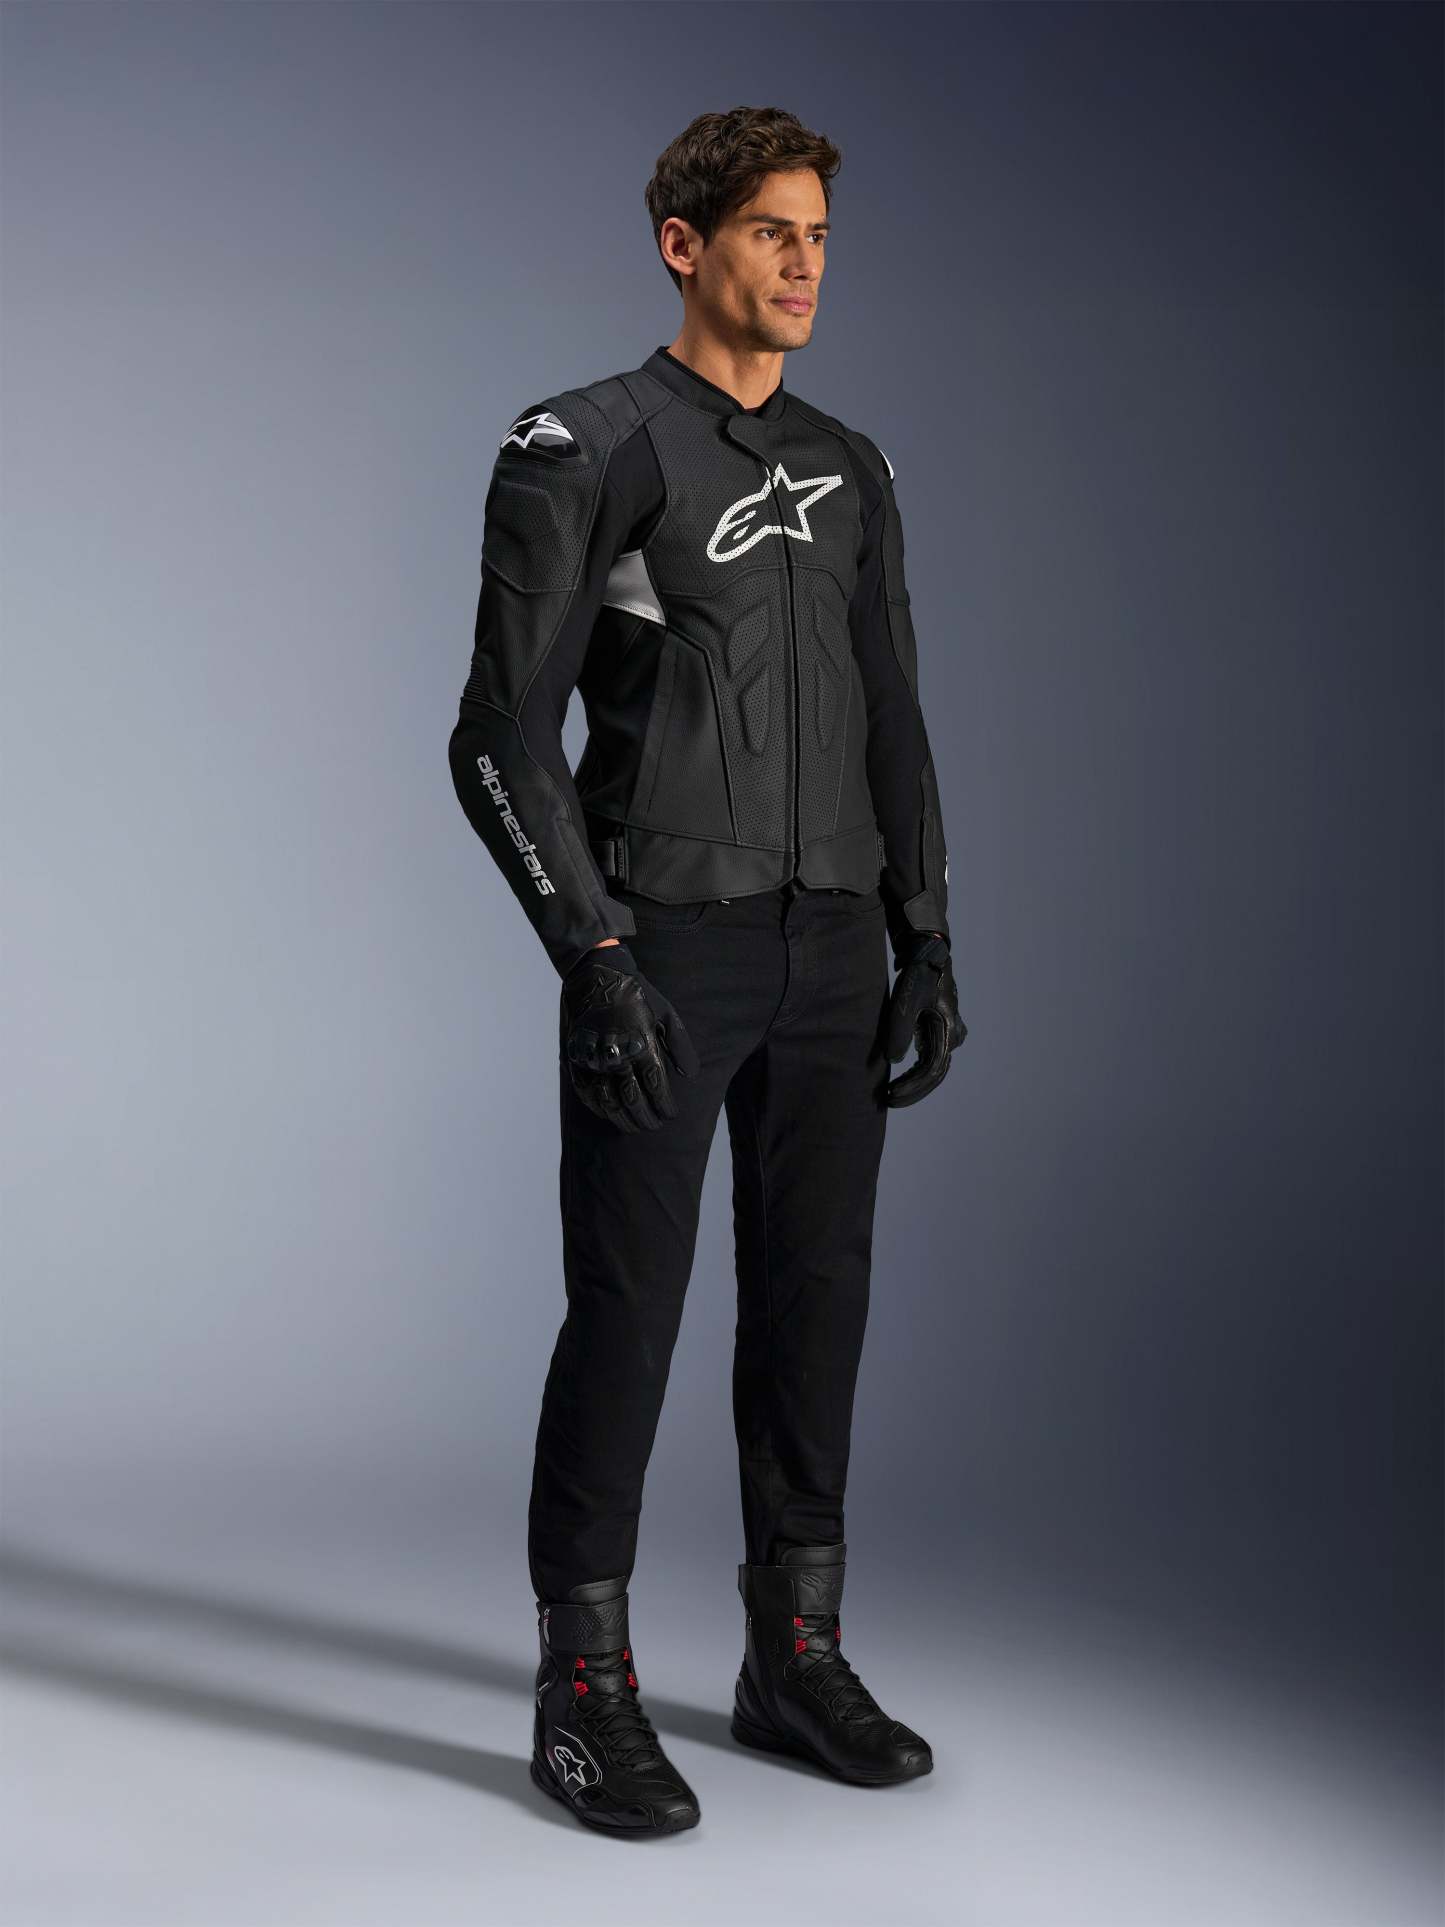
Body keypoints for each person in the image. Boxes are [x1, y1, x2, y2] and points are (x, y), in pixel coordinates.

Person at [448, 105, 965, 1836]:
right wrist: (591, 953)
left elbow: (892, 712)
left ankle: (790, 1657)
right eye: (768, 233)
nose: (803, 265)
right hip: (664, 951)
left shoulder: (850, 463)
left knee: (818, 1298)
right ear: (683, 245)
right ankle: (581, 1689)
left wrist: (925, 931)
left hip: (833, 951)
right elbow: (493, 736)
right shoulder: (587, 444)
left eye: (817, 236)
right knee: (631, 1309)